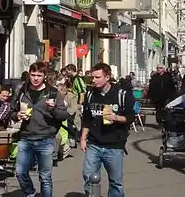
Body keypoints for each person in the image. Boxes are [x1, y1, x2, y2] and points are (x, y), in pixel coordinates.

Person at [10, 62, 69, 197]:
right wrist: (17, 115)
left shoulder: (52, 92)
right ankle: (30, 193)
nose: (36, 78)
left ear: (44, 76)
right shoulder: (21, 90)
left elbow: (63, 116)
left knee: (45, 176)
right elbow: (11, 111)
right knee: (20, 172)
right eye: (33, 75)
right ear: (29, 75)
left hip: (46, 139)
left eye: (39, 75)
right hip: (26, 137)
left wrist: (53, 109)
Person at [80, 63, 135, 197]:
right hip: (94, 143)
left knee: (116, 182)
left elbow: (130, 117)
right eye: (92, 77)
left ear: (107, 77)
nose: (94, 80)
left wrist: (116, 117)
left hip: (114, 145)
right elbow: (87, 118)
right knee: (88, 177)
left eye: (97, 77)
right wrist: (82, 139)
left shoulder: (122, 94)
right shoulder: (90, 94)